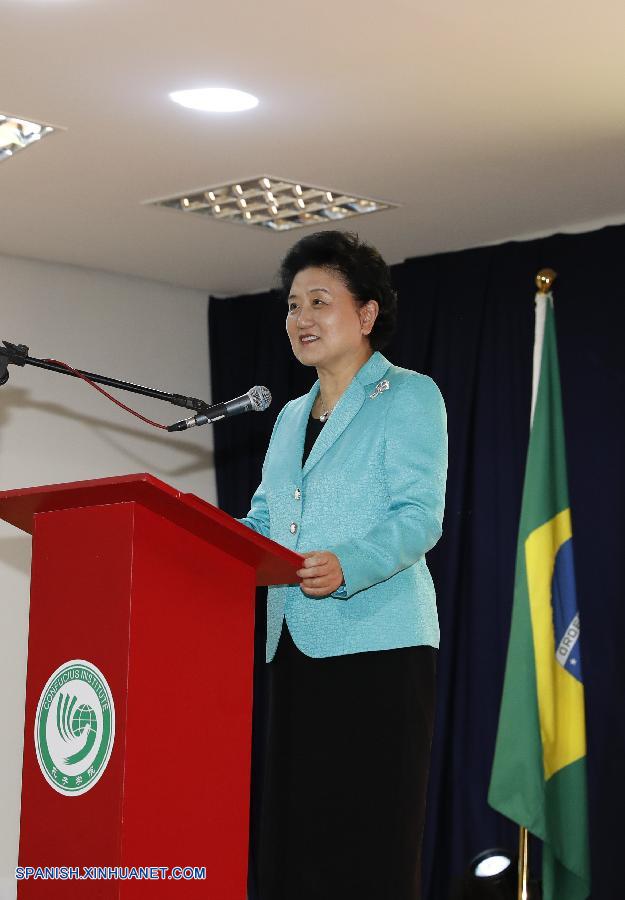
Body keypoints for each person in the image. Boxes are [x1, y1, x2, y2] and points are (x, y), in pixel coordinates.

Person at [238, 230, 448, 900]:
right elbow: (266, 521)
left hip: (378, 646)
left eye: (319, 301)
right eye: (294, 304)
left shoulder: (409, 396)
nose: (300, 318)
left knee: (369, 838)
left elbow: (418, 515)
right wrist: (201, 540)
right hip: (295, 646)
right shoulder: (290, 415)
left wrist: (348, 563)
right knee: (296, 840)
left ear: (365, 315)